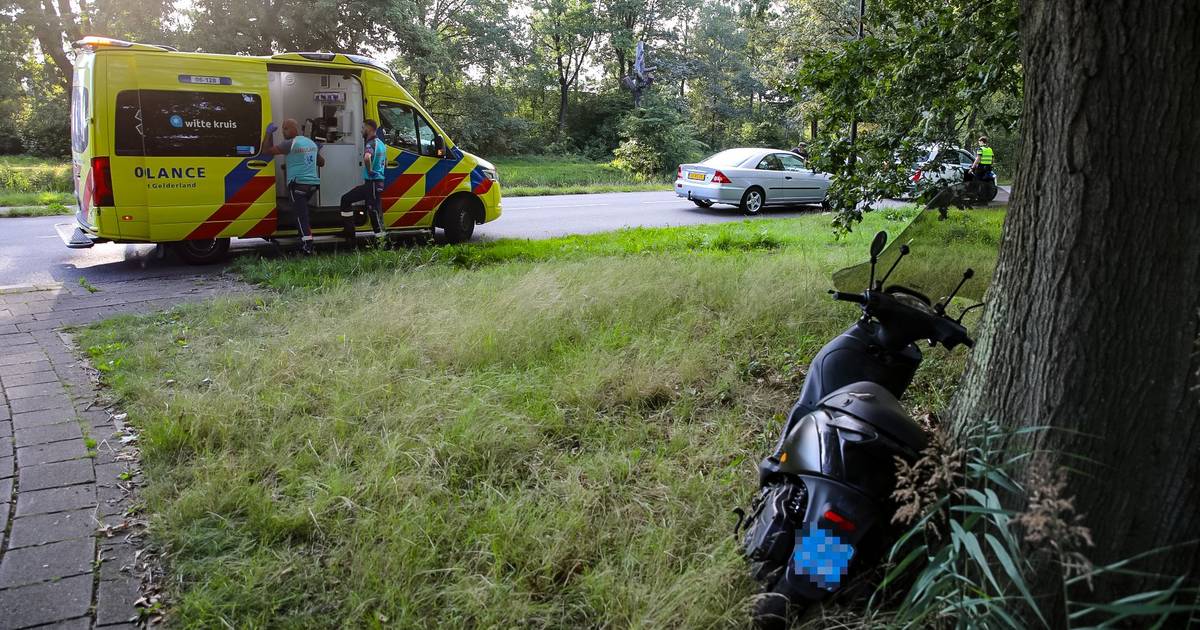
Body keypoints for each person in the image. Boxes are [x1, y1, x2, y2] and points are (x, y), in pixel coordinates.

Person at [264, 119, 323, 255]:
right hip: (312, 185)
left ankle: (307, 247)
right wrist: (315, 151)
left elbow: (266, 151)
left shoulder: (290, 143)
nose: (283, 132)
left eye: (285, 128)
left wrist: (268, 134)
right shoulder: (310, 142)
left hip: (298, 185)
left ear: (293, 129)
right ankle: (303, 238)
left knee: (300, 216)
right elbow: (321, 163)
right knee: (302, 213)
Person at [340, 119, 388, 242]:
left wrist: (370, 170)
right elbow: (386, 162)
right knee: (346, 199)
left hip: (373, 182)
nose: (362, 131)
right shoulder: (381, 144)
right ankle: (349, 232)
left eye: (363, 128)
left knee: (373, 210)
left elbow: (367, 158)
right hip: (374, 183)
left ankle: (381, 241)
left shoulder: (370, 144)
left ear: (369, 129)